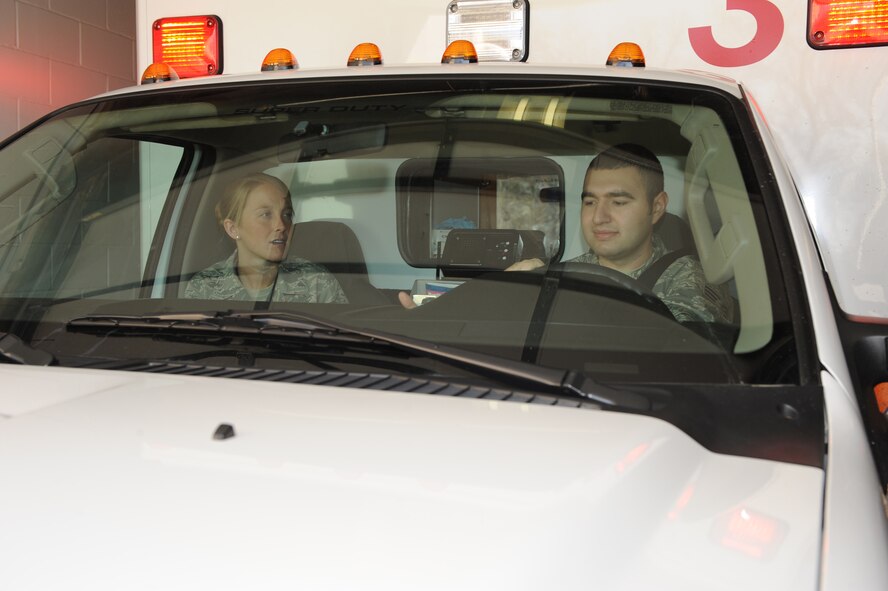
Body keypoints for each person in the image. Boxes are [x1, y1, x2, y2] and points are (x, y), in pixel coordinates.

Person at [508, 143, 733, 323]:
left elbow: (680, 353)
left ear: (656, 208)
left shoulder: (690, 278)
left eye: (618, 202)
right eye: (590, 202)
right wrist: (521, 291)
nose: (599, 217)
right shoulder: (564, 273)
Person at [184, 173, 347, 303]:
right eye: (265, 214)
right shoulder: (205, 287)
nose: (281, 225)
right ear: (233, 229)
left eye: (287, 214)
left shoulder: (316, 282)